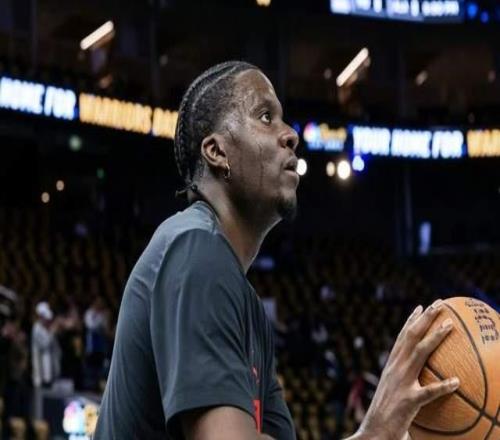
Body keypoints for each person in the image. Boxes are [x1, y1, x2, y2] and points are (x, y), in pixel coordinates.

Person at [94, 61, 459, 439]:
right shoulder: (195, 249)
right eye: (265, 117)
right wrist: (376, 431)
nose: (291, 135)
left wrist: (377, 432)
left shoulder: (247, 306)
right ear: (217, 151)